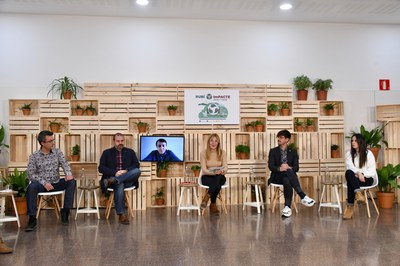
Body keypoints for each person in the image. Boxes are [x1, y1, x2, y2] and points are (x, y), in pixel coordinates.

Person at [25, 130, 76, 232]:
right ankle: (32, 219)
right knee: (31, 187)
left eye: (53, 140)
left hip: (56, 182)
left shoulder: (57, 152)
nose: (53, 143)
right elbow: (31, 173)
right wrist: (44, 182)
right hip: (42, 185)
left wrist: (68, 174)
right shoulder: (34, 156)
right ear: (42, 143)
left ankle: (65, 211)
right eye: (50, 141)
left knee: (72, 182)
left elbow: (65, 164)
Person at [268, 129, 315, 218]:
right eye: (278, 137)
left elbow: (296, 168)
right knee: (288, 173)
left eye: (281, 137)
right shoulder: (273, 151)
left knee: (287, 178)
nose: (279, 139)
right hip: (277, 176)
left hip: (288, 177)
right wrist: (280, 168)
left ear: (287, 139)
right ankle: (302, 196)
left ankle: (287, 207)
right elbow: (271, 166)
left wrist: (288, 167)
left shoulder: (293, 152)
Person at [99, 133, 141, 224]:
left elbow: (136, 165)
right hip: (112, 178)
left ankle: (115, 180)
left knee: (137, 171)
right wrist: (115, 173)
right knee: (120, 184)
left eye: (122, 141)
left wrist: (126, 170)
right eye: (118, 141)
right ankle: (121, 215)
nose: (120, 143)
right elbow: (101, 168)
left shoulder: (130, 152)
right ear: (114, 141)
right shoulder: (106, 153)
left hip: (125, 180)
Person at [343, 133, 376, 220]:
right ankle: (358, 194)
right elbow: (350, 167)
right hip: (356, 178)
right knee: (348, 172)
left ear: (360, 142)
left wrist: (363, 174)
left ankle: (350, 208)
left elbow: (372, 170)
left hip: (367, 179)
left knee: (351, 182)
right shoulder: (349, 154)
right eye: (352, 141)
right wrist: (358, 173)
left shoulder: (368, 153)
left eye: (355, 141)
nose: (353, 142)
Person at [200, 133, 228, 215]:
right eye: (211, 140)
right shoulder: (203, 153)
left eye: (216, 141)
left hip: (219, 176)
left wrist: (222, 171)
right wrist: (214, 172)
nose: (213, 143)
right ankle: (213, 204)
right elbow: (204, 170)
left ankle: (207, 197)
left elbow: (226, 167)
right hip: (207, 177)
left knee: (218, 177)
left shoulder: (222, 152)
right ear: (208, 142)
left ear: (218, 143)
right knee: (217, 185)